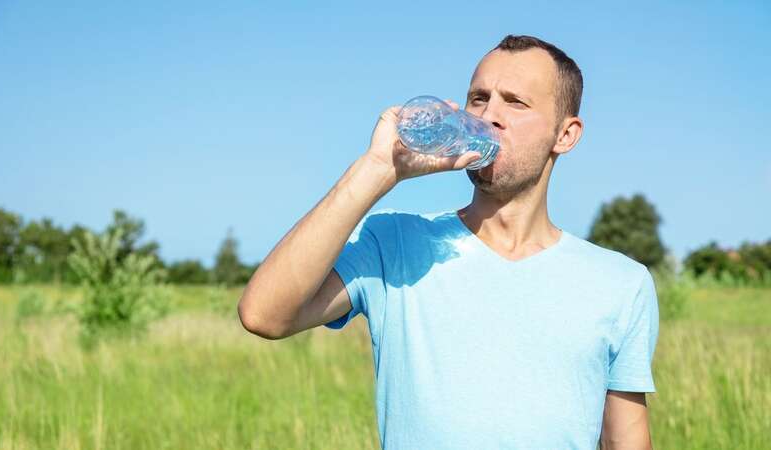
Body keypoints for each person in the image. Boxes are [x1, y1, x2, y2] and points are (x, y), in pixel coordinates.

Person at [239, 34, 659, 450]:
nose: (489, 114)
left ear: (565, 135)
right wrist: (376, 169)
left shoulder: (620, 283)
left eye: (515, 102)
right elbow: (264, 315)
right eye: (479, 98)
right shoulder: (394, 244)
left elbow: (625, 439)